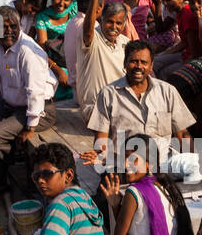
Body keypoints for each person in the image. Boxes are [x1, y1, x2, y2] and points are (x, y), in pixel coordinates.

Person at [0, 5, 57, 188]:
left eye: (13, 27)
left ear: (19, 27)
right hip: (10, 105)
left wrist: (30, 127)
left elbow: (35, 93)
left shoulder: (28, 52)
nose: (8, 31)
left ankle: (1, 182)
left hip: (39, 111)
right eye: (3, 27)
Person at [100, 134, 195, 235]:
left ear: (149, 163)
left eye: (133, 160)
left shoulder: (133, 192)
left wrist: (115, 207)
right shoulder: (168, 189)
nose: (125, 165)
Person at [82, 41, 195, 169]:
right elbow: (101, 140)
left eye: (144, 62)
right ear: (125, 63)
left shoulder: (168, 91)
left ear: (151, 65)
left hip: (162, 165)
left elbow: (182, 133)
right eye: (134, 61)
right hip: (125, 166)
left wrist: (192, 163)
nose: (138, 66)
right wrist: (103, 157)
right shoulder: (108, 94)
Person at [74, 0, 129, 123]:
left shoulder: (125, 42)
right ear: (102, 20)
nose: (114, 27)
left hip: (121, 104)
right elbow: (87, 31)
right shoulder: (93, 38)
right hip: (95, 109)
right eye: (110, 22)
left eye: (119, 23)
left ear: (124, 24)